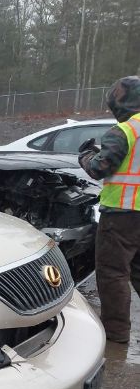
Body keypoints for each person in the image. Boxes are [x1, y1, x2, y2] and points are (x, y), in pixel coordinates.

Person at [79, 76, 140, 343]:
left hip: (122, 214)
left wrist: (85, 155)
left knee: (112, 273)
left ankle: (115, 335)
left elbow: (99, 168)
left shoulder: (125, 130)